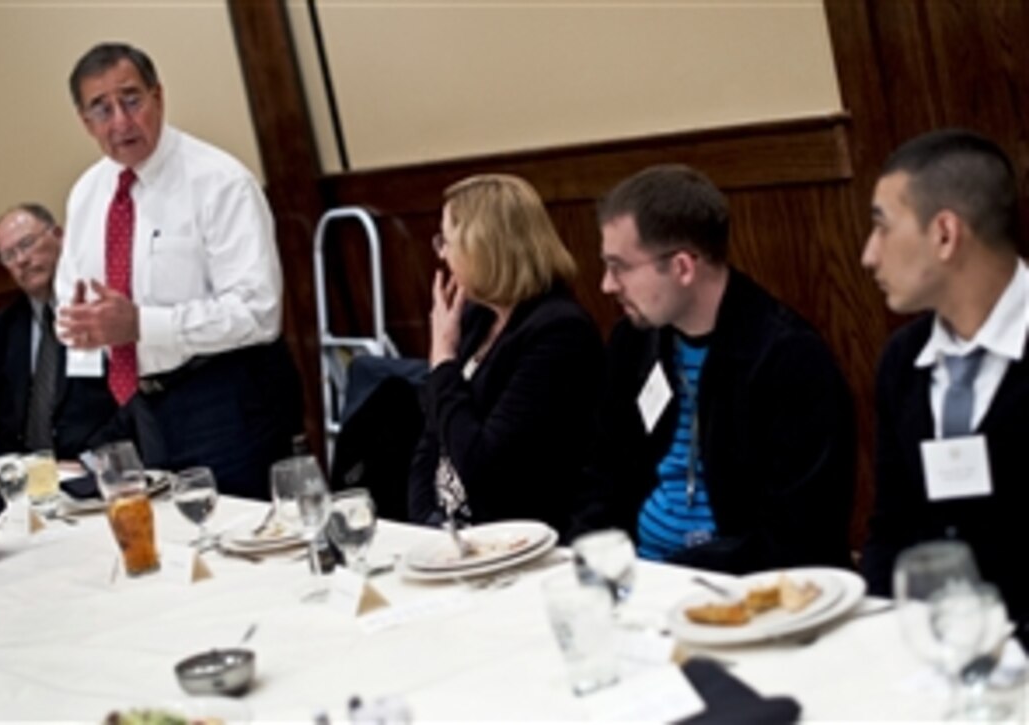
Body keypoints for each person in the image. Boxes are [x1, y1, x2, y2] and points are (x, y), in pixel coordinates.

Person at [573, 164, 856, 574]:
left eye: (621, 267)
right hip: (637, 577)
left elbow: (798, 534)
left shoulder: (788, 358)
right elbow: (601, 475)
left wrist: (669, 576)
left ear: (684, 267)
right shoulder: (633, 343)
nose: (607, 285)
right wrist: (590, 561)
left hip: (739, 587)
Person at [54, 43, 300, 499]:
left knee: (250, 546)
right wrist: (84, 332)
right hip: (139, 407)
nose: (121, 122)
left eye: (131, 100)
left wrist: (140, 324)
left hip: (226, 397)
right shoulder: (87, 195)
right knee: (176, 550)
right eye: (102, 109)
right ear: (85, 123)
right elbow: (71, 301)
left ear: (158, 97)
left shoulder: (220, 182)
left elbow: (258, 313)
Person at [860, 129, 1028, 646]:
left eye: (882, 227)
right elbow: (891, 527)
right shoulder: (903, 361)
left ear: (945, 234)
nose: (868, 255)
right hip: (930, 656)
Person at [407, 174, 605, 535]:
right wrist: (427, 525)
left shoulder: (558, 332)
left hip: (516, 541)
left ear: (483, 248)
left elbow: (488, 468)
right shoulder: (476, 319)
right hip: (452, 537)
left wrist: (444, 362)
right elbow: (430, 444)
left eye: (446, 241)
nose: (441, 253)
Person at [0, 204, 121, 459]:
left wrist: (90, 462)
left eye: (27, 243)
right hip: (28, 477)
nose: (21, 260)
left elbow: (128, 397)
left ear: (59, 235)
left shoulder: (99, 306)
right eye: (8, 256)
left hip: (100, 465)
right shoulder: (1, 328)